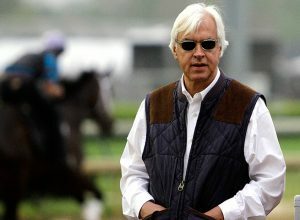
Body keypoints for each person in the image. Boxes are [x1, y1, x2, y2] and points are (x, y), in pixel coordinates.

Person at [120, 3, 286, 220]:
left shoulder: (248, 105)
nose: (198, 53)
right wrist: (147, 210)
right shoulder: (153, 105)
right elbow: (132, 173)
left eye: (207, 44)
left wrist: (221, 215)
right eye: (188, 44)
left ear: (220, 48)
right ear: (174, 50)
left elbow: (271, 181)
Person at [0, 30, 66, 162]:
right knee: (50, 115)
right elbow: (52, 86)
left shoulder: (30, 54)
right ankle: (55, 157)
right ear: (58, 50)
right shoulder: (49, 57)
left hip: (4, 86)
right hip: (24, 86)